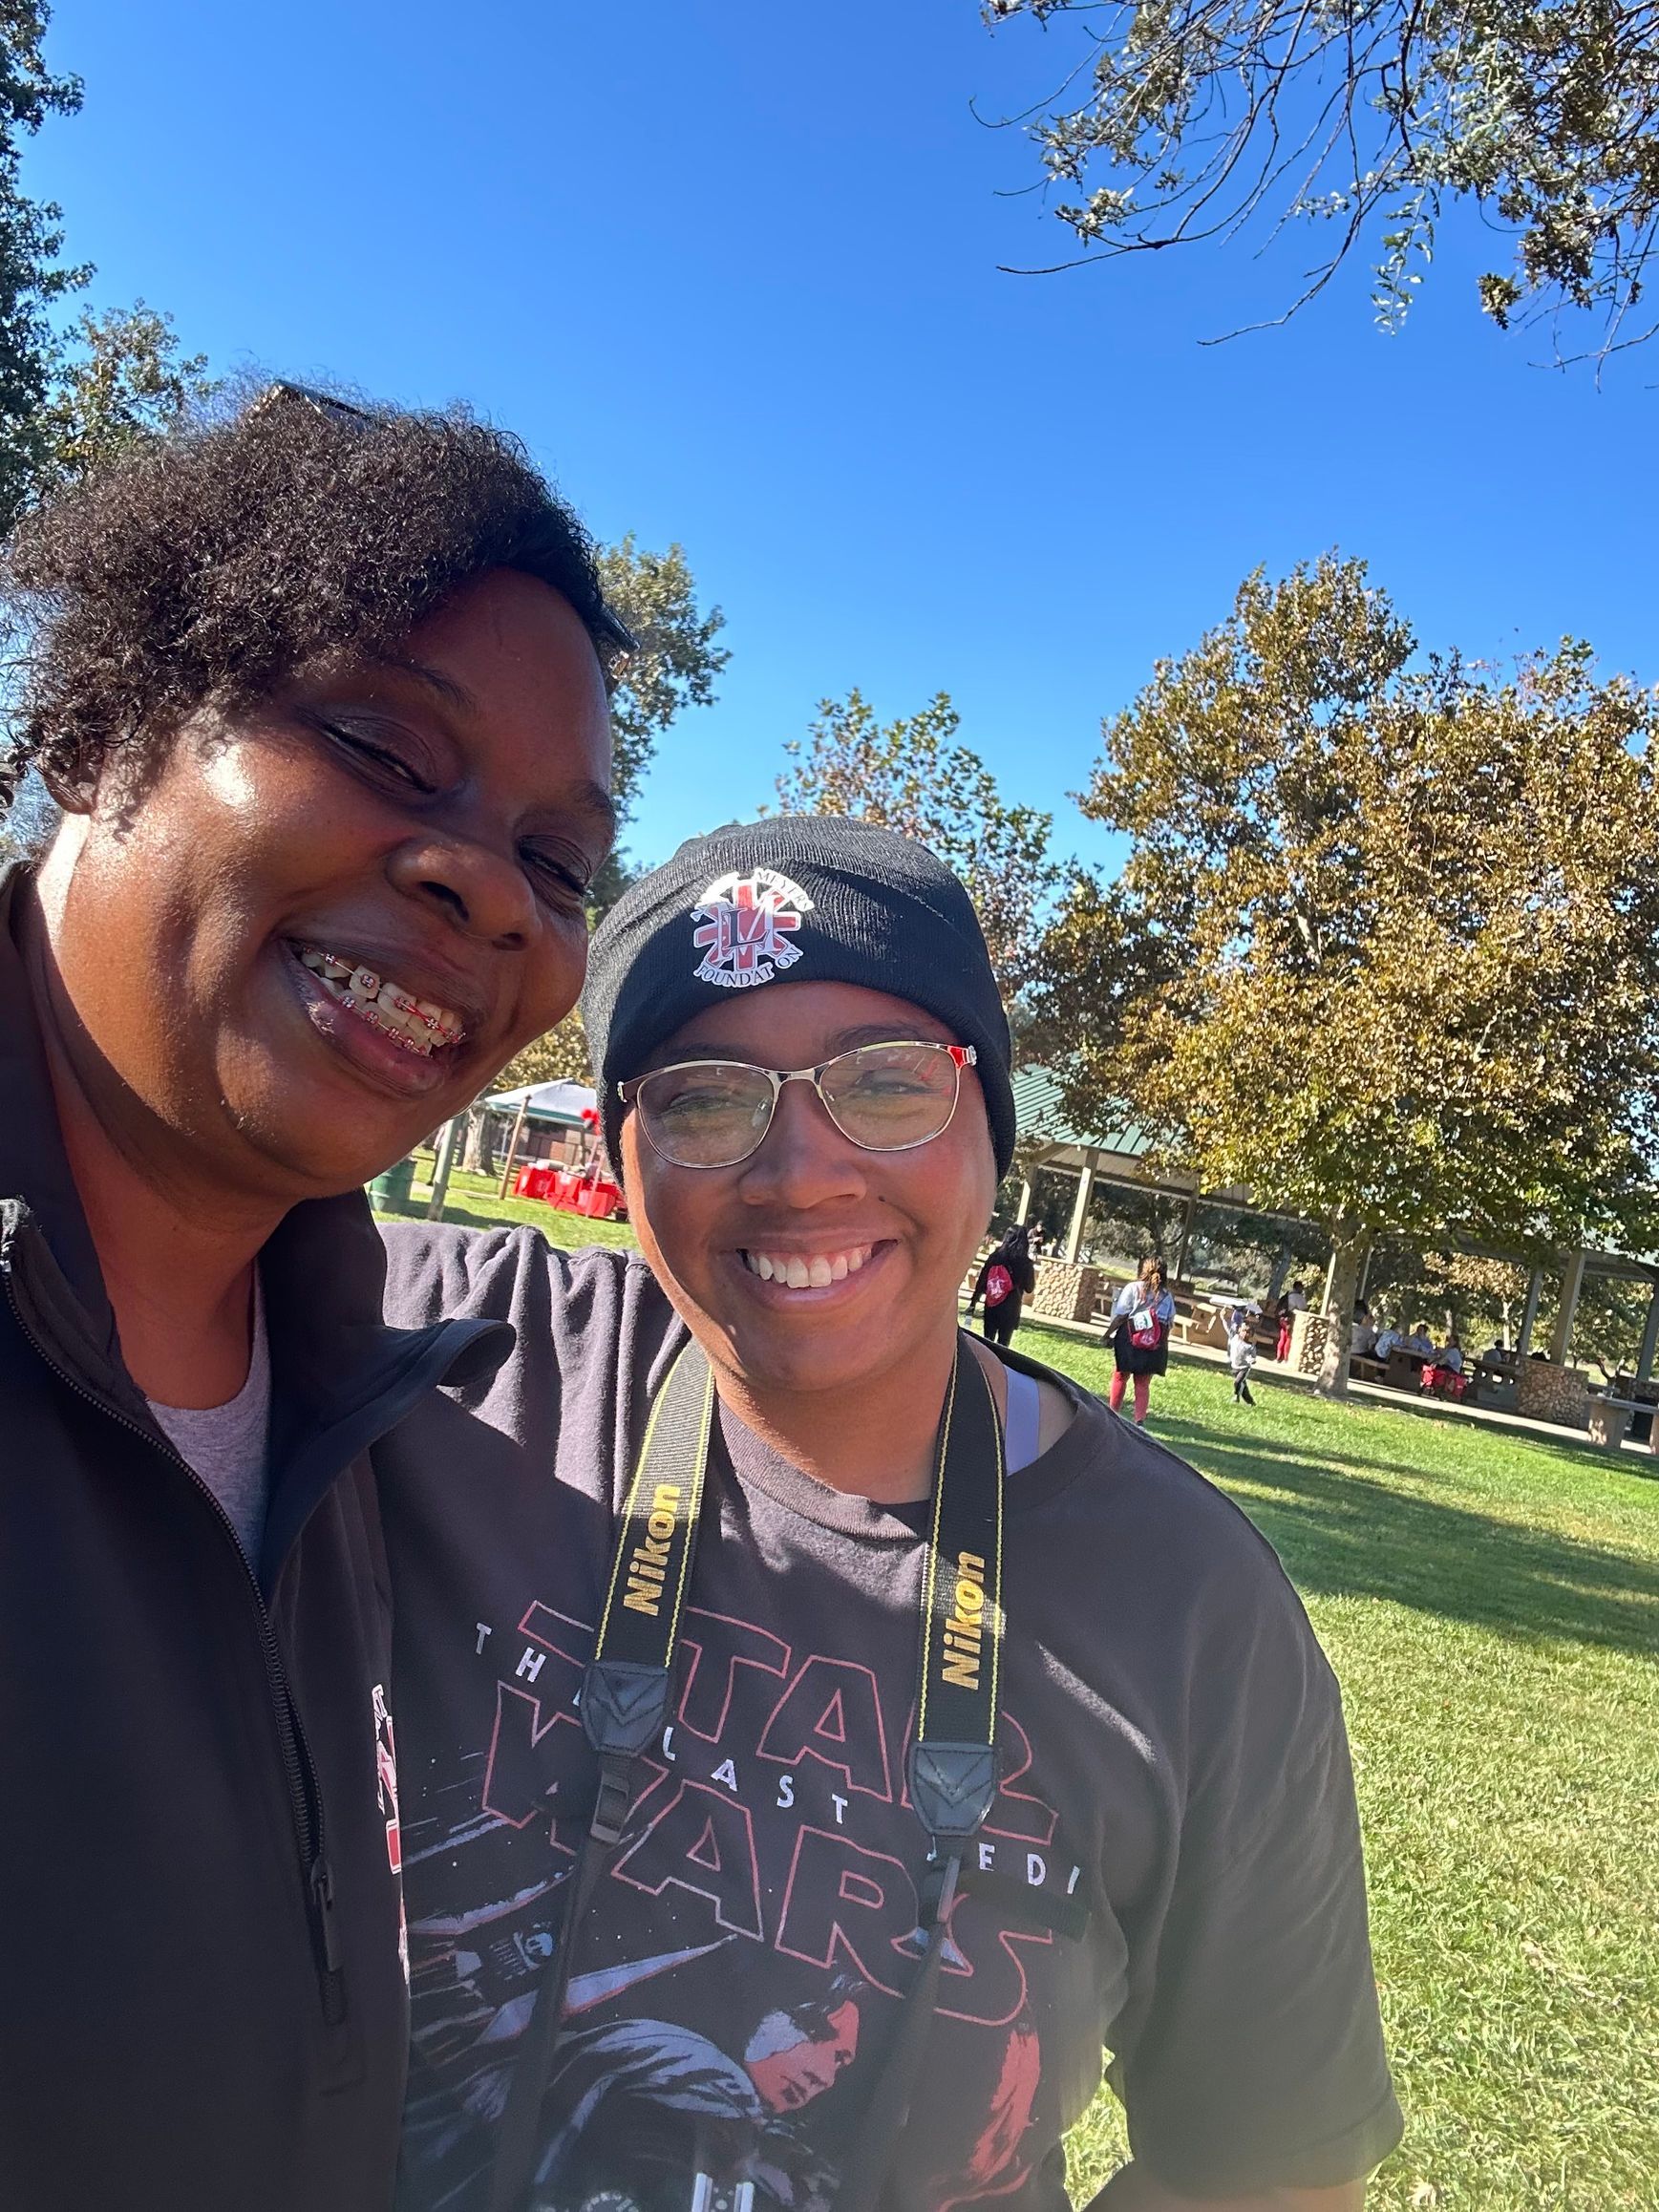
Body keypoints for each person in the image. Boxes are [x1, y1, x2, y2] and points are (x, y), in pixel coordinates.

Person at [375, 816, 1401, 2212]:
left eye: (888, 1083)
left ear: (992, 1131)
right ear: (623, 1155)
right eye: (705, 1097)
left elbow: (1264, 2168)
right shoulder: (461, 1359)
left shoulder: (1188, 1604)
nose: (801, 1172)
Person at [0, 386, 621, 2210]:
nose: (490, 885)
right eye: (382, 742)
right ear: (100, 723)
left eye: (561, 860)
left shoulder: (366, 1385)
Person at [1106, 1255, 1176, 1425]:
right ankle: (1139, 1421)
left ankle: (1112, 1414)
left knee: (1120, 1375)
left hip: (1130, 1338)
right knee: (1142, 1383)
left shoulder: (1133, 1288)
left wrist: (1107, 1333)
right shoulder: (1167, 1297)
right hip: (1153, 1343)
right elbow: (1169, 1322)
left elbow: (1122, 1315)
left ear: (1144, 1270)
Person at [968, 1222, 1036, 1346]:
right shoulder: (1026, 1263)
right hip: (1012, 1307)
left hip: (992, 1304)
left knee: (987, 1342)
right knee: (1003, 1345)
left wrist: (973, 1303)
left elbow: (983, 1280)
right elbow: (1029, 1288)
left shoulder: (996, 1256)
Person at [1226, 1304, 1258, 1405]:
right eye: (1244, 1331)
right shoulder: (1235, 1338)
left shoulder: (1250, 1346)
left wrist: (1251, 1360)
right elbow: (1230, 1327)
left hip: (1244, 1368)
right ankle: (1250, 1402)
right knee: (1243, 1386)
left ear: (1251, 1335)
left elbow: (1251, 1357)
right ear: (1239, 1331)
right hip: (1234, 1366)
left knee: (1238, 1382)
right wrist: (1223, 1318)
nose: (1245, 1333)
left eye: (1248, 1332)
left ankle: (1236, 1397)